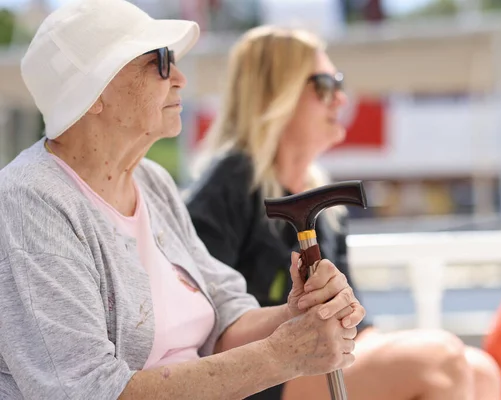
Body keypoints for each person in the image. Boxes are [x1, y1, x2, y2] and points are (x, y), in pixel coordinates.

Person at [0, 2, 367, 399]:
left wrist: (295, 314)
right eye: (159, 61)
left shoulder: (150, 181)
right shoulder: (29, 202)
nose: (179, 78)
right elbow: (88, 391)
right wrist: (281, 355)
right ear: (94, 93)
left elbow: (225, 318)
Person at [184, 25, 501, 400]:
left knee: (481, 371)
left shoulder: (323, 201)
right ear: (276, 94)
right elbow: (200, 323)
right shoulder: (230, 184)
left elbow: (357, 322)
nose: (340, 99)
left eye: (339, 83)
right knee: (440, 358)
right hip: (261, 376)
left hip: (322, 357)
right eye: (325, 86)